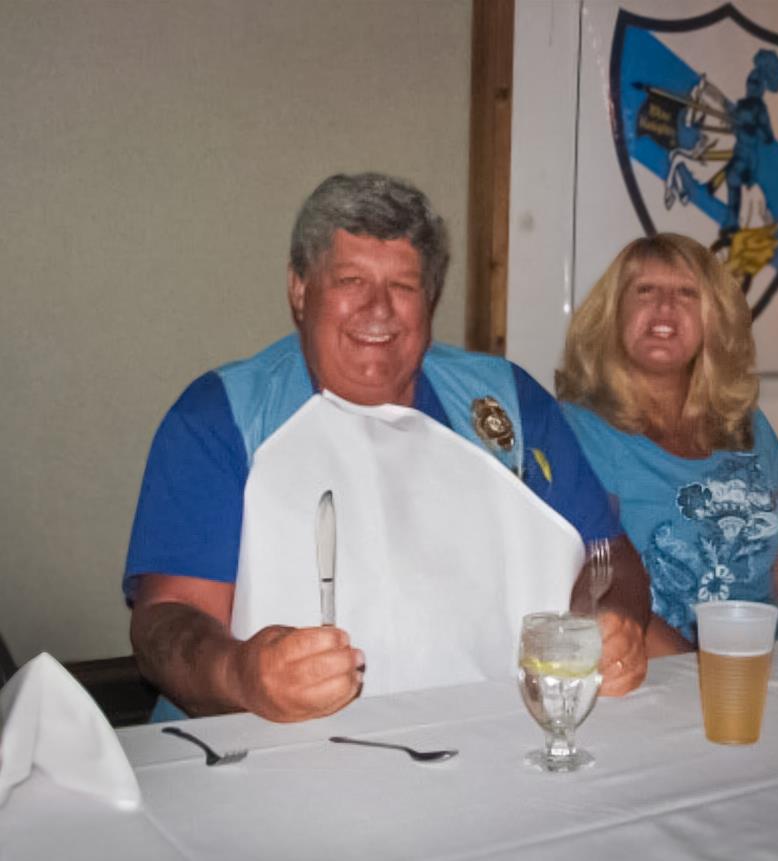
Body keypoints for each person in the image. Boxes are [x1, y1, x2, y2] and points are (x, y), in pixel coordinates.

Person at [125, 173, 649, 722]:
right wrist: (242, 674)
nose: (378, 309)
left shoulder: (508, 403)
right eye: (351, 280)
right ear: (300, 291)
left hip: (481, 740)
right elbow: (167, 621)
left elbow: (606, 556)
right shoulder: (221, 416)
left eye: (403, 287)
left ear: (430, 300)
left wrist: (613, 624)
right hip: (262, 752)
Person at [556, 233, 778, 656]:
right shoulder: (578, 431)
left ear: (715, 320)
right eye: (645, 290)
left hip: (771, 675)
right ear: (612, 316)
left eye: (687, 293)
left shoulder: (750, 426)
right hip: (664, 681)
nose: (665, 305)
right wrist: (708, 677)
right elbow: (600, 591)